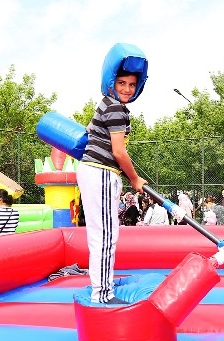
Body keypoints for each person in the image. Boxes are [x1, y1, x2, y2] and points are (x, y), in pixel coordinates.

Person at [76, 43, 149, 305]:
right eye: (122, 83)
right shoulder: (116, 108)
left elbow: (90, 131)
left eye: (131, 84)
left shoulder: (105, 104)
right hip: (102, 172)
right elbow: (119, 152)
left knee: (99, 234)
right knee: (106, 237)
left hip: (90, 171)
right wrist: (134, 179)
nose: (127, 89)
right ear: (111, 81)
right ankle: (103, 295)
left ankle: (100, 289)